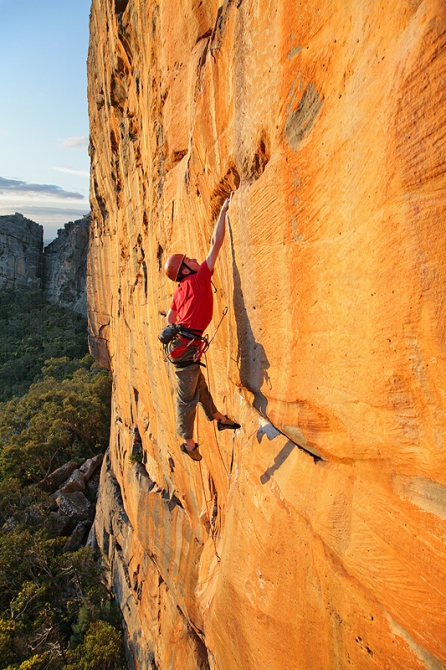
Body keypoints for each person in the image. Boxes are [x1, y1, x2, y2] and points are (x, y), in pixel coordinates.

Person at [163, 195, 240, 461]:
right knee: (186, 398)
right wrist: (223, 211)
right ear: (185, 269)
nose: (195, 259)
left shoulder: (180, 289)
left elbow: (170, 318)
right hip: (185, 347)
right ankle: (188, 443)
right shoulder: (198, 277)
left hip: (184, 345)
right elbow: (215, 243)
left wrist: (176, 328)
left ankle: (218, 417)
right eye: (190, 260)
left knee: (199, 387)